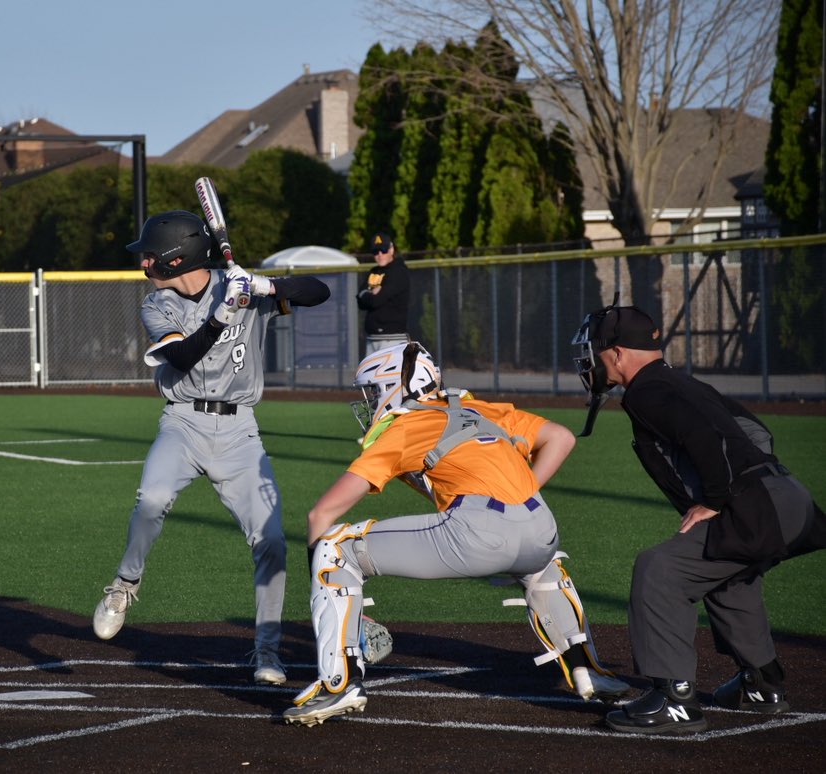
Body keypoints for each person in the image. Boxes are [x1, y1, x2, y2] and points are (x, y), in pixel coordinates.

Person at [282, 341, 629, 726]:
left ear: (395, 386)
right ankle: (585, 668)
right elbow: (560, 438)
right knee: (544, 568)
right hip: (541, 524)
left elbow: (322, 511)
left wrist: (318, 575)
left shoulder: (404, 426)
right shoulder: (482, 408)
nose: (368, 402)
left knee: (335, 548)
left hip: (478, 534)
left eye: (372, 391)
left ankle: (338, 684)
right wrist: (521, 492)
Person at [92, 210, 331, 685]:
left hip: (240, 431)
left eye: (151, 257)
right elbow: (181, 354)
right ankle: (124, 584)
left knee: (272, 543)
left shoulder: (239, 285)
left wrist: (266, 289)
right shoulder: (156, 306)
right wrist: (225, 313)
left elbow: (318, 292)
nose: (144, 265)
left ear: (177, 258)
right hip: (183, 423)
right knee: (152, 499)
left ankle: (267, 651)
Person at [571, 302, 825, 735]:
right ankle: (762, 685)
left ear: (617, 353)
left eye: (597, 350)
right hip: (789, 497)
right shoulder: (680, 381)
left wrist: (718, 497)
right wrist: (756, 485)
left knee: (661, 570)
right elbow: (755, 431)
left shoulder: (646, 391)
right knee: (724, 575)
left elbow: (703, 434)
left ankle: (675, 700)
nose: (592, 360)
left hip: (755, 501)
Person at [356, 232, 410, 356]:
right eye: (376, 251)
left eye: (383, 250)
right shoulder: (374, 271)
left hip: (392, 340)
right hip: (372, 338)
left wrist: (368, 294)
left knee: (388, 376)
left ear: (391, 249)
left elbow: (377, 300)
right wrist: (370, 294)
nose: (380, 254)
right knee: (369, 376)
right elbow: (360, 299)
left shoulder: (399, 272)